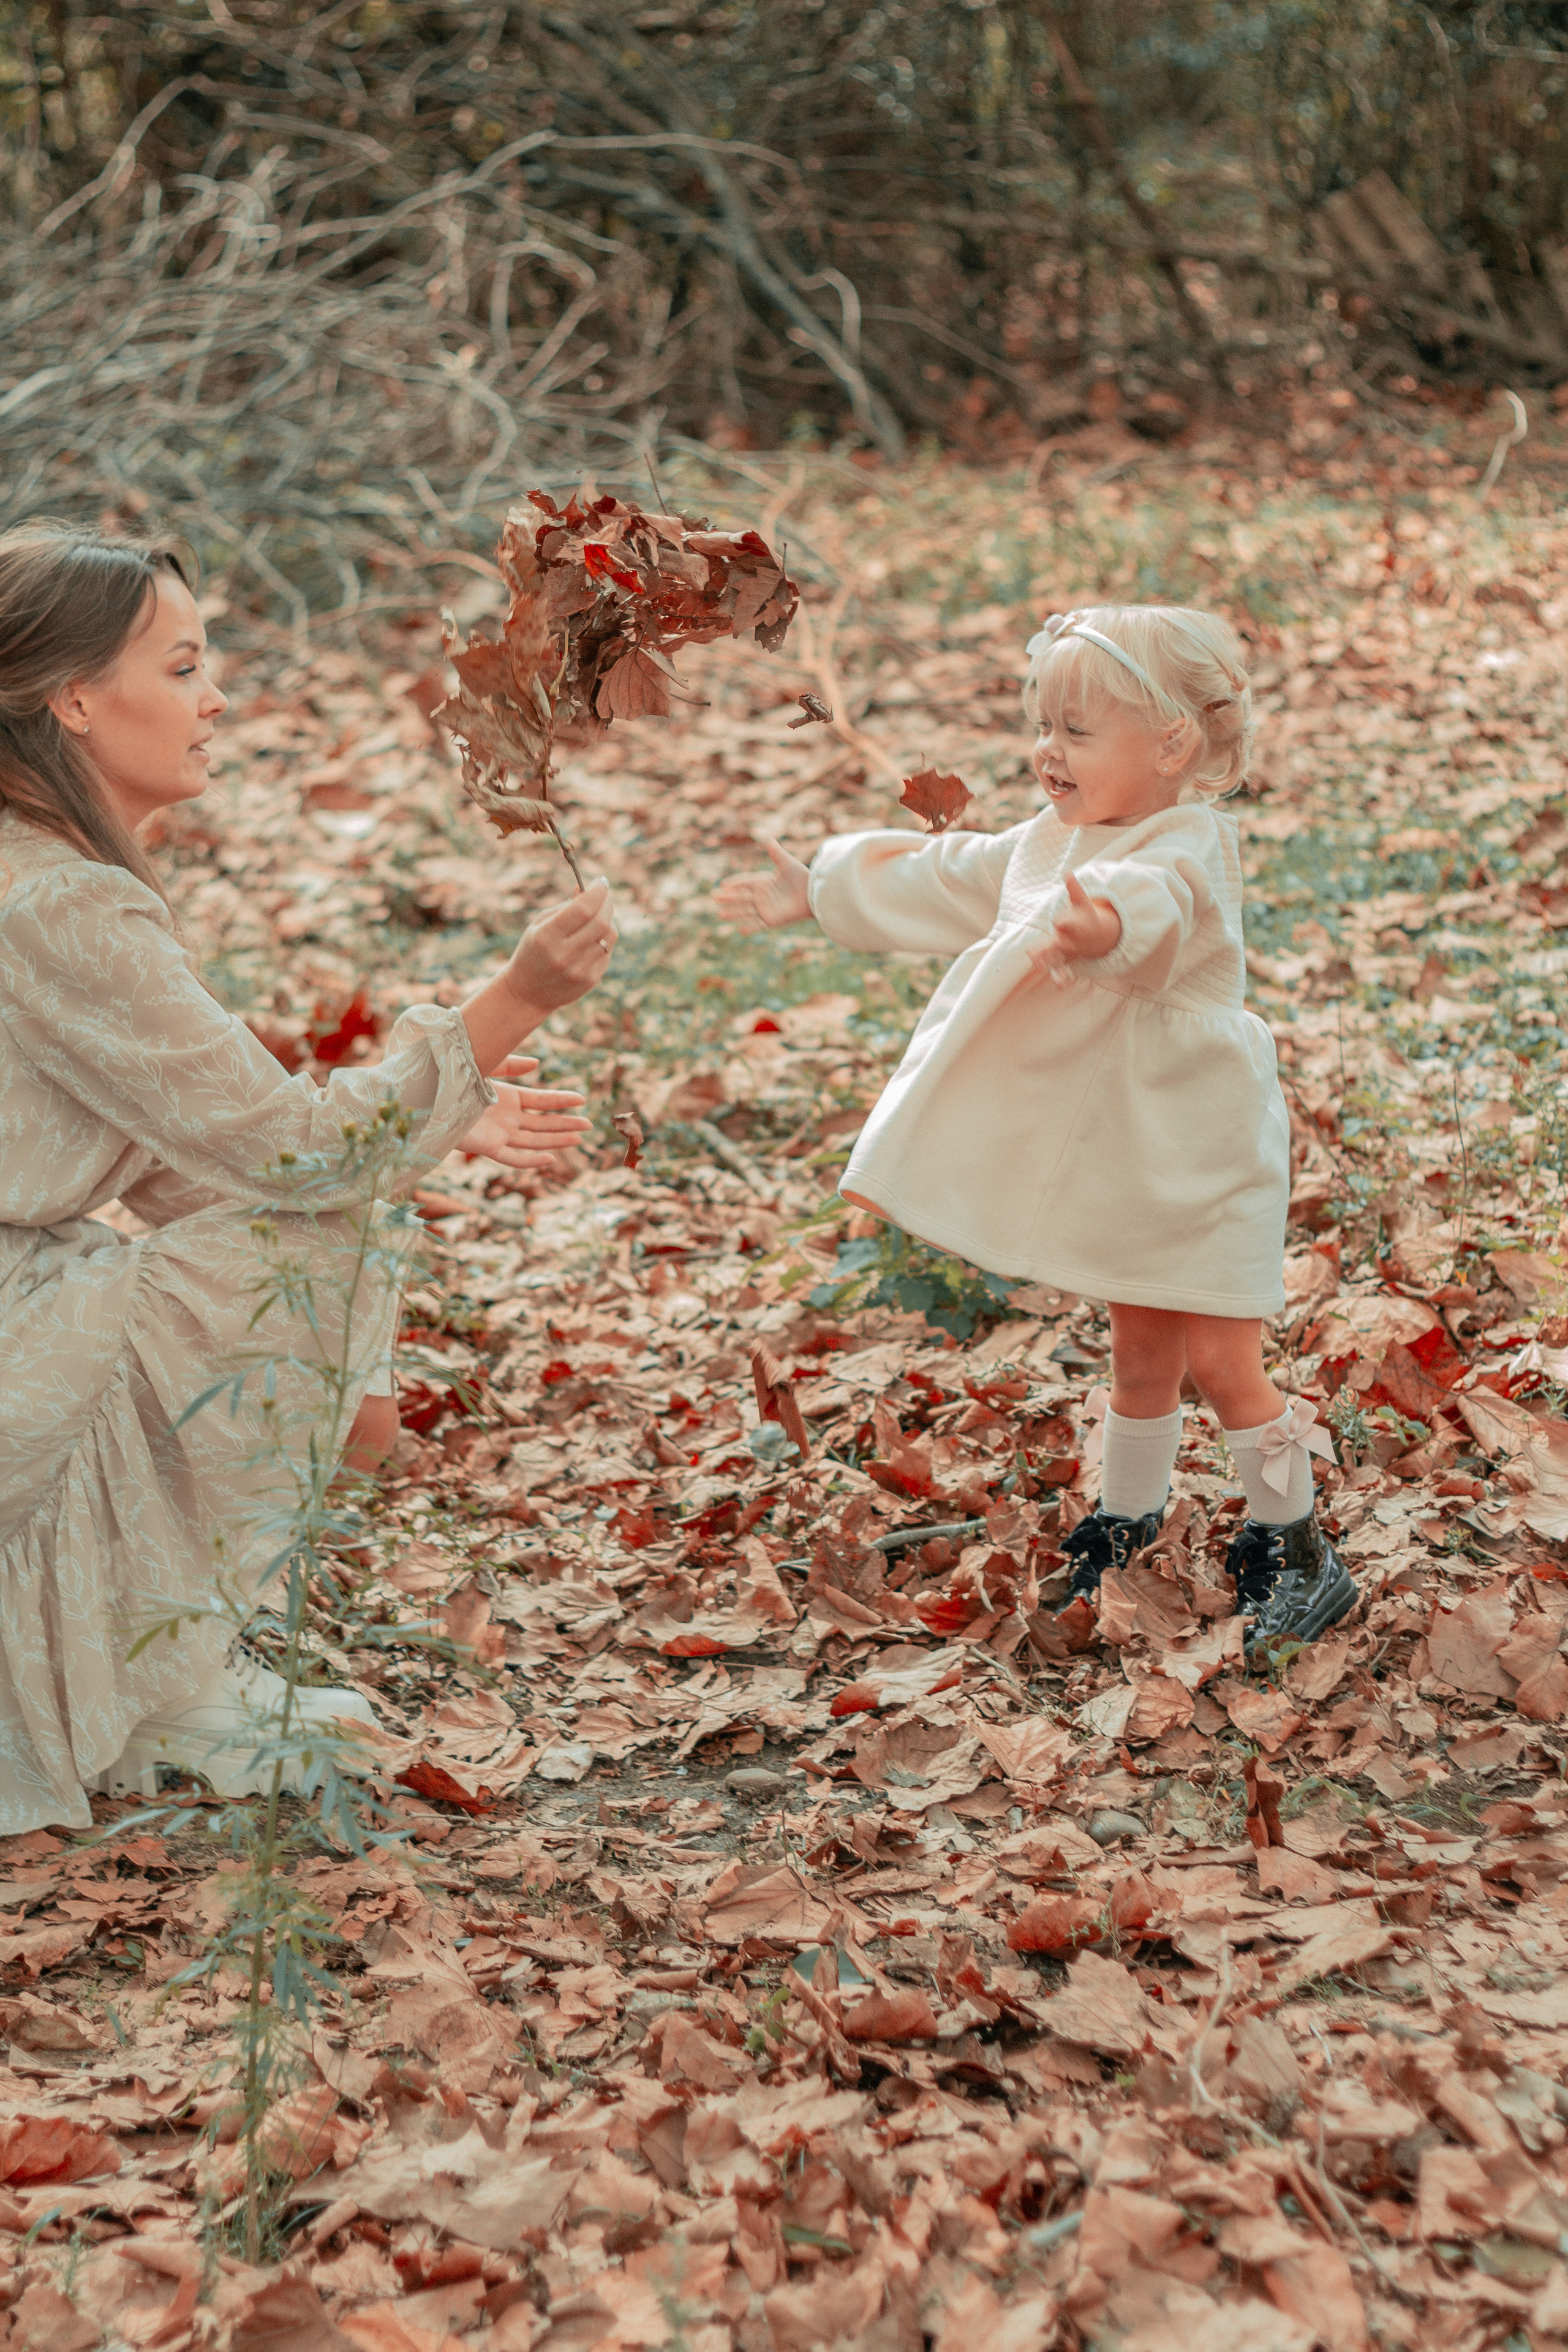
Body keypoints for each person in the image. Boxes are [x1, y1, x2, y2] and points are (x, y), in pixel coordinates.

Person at [0, 520, 614, 1833]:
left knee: (295, 1235)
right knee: (309, 1247)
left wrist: (436, 1122)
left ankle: (166, 1664)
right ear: (71, 698)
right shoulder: (59, 903)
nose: (215, 698)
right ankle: (171, 1685)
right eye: (181, 667)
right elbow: (291, 1154)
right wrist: (509, 1003)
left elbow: (190, 1147)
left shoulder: (36, 878)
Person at [714, 603, 1352, 1662]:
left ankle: (1296, 1548)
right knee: (1140, 1353)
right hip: (1124, 1147)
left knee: (1223, 1360)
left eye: (1078, 731)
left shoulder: (1186, 842)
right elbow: (947, 873)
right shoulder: (1045, 843)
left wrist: (1100, 927)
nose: (1048, 752)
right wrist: (823, 888)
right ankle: (1128, 1519)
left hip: (1198, 1147)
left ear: (1172, 746)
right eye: (1042, 725)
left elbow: (1152, 903)